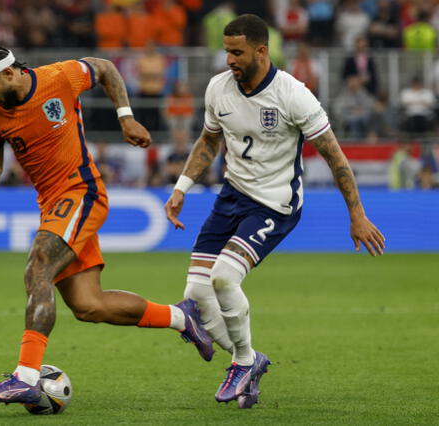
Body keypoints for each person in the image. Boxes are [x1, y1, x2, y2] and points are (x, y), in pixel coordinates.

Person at [0, 42, 214, 405]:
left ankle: (26, 376)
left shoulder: (58, 77)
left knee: (38, 267)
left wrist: (125, 117)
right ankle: (181, 317)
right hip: (52, 205)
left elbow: (105, 67)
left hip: (81, 192)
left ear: (9, 73)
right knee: (89, 306)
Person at [164, 14, 385, 409]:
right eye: (227, 51)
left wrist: (357, 214)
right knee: (195, 291)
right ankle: (250, 362)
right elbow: (208, 142)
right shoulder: (218, 88)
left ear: (261, 51)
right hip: (232, 195)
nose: (229, 59)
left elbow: (335, 157)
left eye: (237, 52)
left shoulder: (293, 95)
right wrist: (181, 188)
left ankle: (243, 364)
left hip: (275, 204)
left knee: (224, 279)